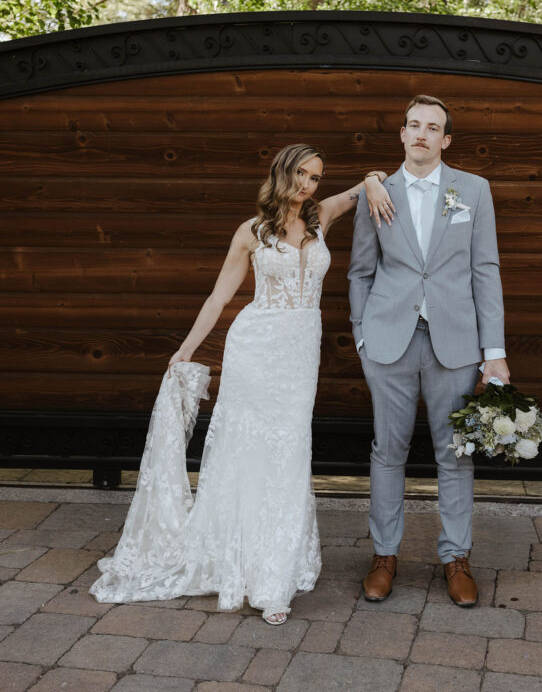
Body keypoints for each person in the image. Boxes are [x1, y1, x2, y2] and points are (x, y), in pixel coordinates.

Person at [90, 144, 393, 625]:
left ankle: (274, 570)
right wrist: (186, 349)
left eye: (316, 177)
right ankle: (256, 575)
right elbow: (218, 297)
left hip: (299, 356)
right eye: (300, 174)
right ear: (281, 173)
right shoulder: (251, 232)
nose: (308, 185)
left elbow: (362, 187)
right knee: (247, 453)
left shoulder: (320, 217)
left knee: (289, 453)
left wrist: (375, 178)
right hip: (254, 350)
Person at [348, 94, 510, 608]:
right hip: (388, 342)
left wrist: (494, 350)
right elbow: (360, 272)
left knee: (454, 454)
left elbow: (485, 271)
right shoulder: (376, 192)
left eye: (432, 127)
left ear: (446, 139)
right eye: (413, 124)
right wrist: (362, 336)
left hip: (456, 342)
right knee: (387, 451)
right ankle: (384, 555)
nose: (421, 133)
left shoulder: (474, 191)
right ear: (401, 134)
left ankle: (456, 557)